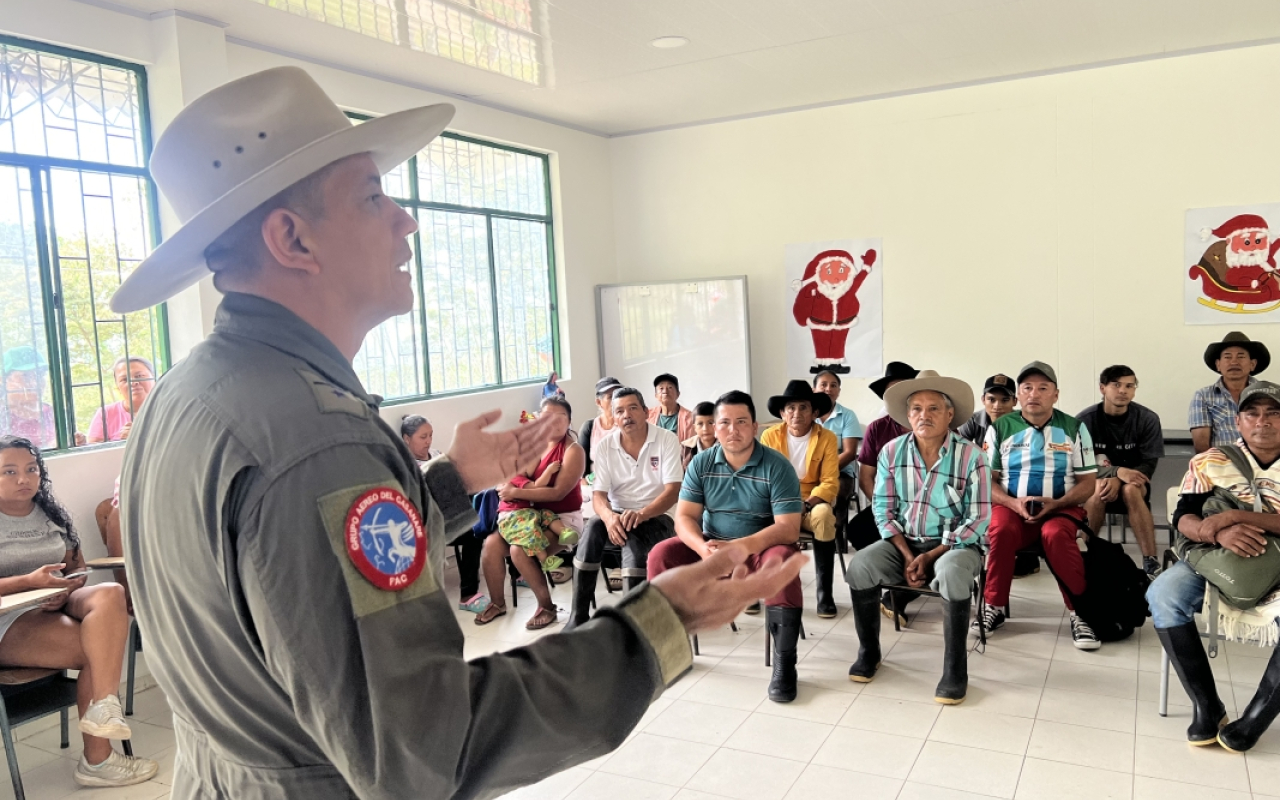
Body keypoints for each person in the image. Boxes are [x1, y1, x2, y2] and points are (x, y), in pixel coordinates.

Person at [111, 68, 801, 798]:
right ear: (291, 237)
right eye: (372, 197)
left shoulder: (184, 395)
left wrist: (446, 485)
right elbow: (432, 747)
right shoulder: (318, 437)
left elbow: (281, 566)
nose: (405, 219)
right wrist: (661, 620)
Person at [0, 436, 158, 787]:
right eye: (9, 472)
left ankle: (103, 706)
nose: (23, 478)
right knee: (97, 648)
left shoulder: (50, 513)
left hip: (52, 605)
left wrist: (67, 586)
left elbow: (77, 567)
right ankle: (98, 761)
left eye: (31, 469)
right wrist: (29, 582)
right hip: (8, 621)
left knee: (110, 592)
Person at [649, 390, 806, 703]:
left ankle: (785, 664)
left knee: (783, 565)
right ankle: (666, 652)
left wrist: (739, 548)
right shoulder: (701, 464)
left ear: (756, 426)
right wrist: (703, 548)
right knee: (661, 554)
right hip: (713, 546)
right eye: (725, 423)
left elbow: (788, 529)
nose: (733, 430)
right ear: (713, 428)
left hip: (760, 547)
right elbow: (684, 518)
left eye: (741, 422)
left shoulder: (777, 466)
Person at [1150, 381, 1280, 752]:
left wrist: (1237, 516)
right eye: (1252, 413)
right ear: (1238, 422)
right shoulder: (1211, 460)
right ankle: (1207, 706)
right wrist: (1216, 535)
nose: (1263, 421)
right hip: (1217, 555)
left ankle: (1256, 718)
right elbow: (1184, 517)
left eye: (1273, 413)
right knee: (1163, 594)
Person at [845, 372, 990, 704]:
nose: (924, 415)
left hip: (956, 546)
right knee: (861, 566)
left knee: (952, 573)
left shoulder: (972, 457)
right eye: (917, 409)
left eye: (934, 408)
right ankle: (869, 652)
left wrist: (932, 555)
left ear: (950, 415)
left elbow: (978, 519)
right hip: (904, 543)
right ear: (907, 416)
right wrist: (909, 554)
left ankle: (955, 670)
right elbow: (882, 509)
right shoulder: (892, 452)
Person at [980, 361, 1100, 649]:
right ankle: (993, 607)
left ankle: (1080, 613)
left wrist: (1057, 503)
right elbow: (986, 481)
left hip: (1061, 507)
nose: (1034, 394)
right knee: (1000, 531)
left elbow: (1088, 483)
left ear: (1055, 395)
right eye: (1027, 388)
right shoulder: (1000, 428)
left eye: (1043, 388)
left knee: (1056, 535)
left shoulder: (1074, 428)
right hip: (1010, 506)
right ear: (1018, 395)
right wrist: (1013, 502)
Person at [566, 387, 681, 630]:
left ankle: (632, 627)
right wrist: (608, 518)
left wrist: (641, 514)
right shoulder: (606, 446)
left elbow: (673, 492)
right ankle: (578, 617)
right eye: (619, 411)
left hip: (658, 516)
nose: (626, 415)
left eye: (632, 408)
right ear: (614, 418)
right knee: (595, 526)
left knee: (634, 540)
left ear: (645, 411)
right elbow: (598, 496)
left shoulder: (666, 439)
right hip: (618, 515)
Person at [481, 396, 585, 629]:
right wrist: (511, 486)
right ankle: (497, 603)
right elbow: (515, 474)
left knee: (519, 550)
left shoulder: (573, 451)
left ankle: (547, 607)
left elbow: (558, 493)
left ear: (569, 421)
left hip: (563, 520)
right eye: (547, 417)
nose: (553, 423)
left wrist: (516, 492)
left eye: (560, 417)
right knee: (490, 545)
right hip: (528, 516)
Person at [761, 380, 841, 618]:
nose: (797, 413)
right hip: (777, 503)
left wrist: (805, 504)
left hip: (811, 502)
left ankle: (824, 594)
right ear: (782, 413)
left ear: (815, 412)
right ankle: (756, 590)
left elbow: (830, 482)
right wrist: (783, 505)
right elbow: (763, 478)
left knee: (825, 517)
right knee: (752, 517)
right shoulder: (769, 436)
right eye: (791, 408)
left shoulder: (827, 438)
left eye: (803, 407)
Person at [1076, 365, 1165, 577]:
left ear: (1134, 390)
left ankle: (1150, 560)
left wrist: (1121, 477)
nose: (1123, 390)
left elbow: (1148, 464)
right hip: (1096, 481)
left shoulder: (1147, 419)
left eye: (1129, 386)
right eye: (1116, 385)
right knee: (1098, 489)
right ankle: (1086, 555)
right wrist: (1116, 473)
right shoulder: (1084, 420)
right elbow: (1080, 466)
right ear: (1102, 388)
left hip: (1135, 481)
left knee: (1131, 491)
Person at [847, 361, 919, 552]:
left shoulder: (930, 424)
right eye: (891, 392)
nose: (897, 396)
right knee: (857, 531)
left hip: (927, 506)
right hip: (888, 503)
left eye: (902, 389)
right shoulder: (877, 428)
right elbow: (866, 477)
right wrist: (884, 509)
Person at [1189, 331, 1269, 453]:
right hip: (1220, 465)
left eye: (1241, 356)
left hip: (1265, 465)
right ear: (1218, 365)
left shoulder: (1269, 394)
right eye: (1227, 357)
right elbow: (1201, 444)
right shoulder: (1203, 396)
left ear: (1252, 364)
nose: (1234, 362)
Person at [814, 369, 863, 545]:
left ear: (839, 391)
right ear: (814, 390)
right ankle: (803, 530)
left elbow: (850, 453)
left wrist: (826, 471)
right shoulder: (807, 415)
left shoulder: (847, 416)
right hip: (809, 470)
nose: (828, 389)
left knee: (837, 488)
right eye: (823, 385)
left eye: (833, 385)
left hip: (840, 471)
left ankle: (837, 534)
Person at [85, 356, 157, 444]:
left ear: (155, 379)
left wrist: (142, 436)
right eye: (124, 379)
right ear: (117, 387)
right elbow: (93, 451)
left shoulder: (169, 408)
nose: (133, 383)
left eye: (139, 376)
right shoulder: (106, 413)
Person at [0, 346, 56, 450]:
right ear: (3, 380)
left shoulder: (52, 413)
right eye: (25, 376)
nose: (35, 382)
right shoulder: (2, 417)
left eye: (40, 374)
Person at [957, 373, 1015, 446]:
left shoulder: (1024, 423)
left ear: (1014, 401)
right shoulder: (972, 421)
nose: (997, 406)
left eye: (1005, 400)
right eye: (991, 399)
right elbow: (958, 449)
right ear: (983, 400)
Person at [580, 376, 622, 477]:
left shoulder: (627, 424)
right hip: (595, 481)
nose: (615, 400)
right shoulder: (589, 427)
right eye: (610, 396)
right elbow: (581, 465)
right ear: (599, 402)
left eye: (618, 395)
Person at [648, 373, 694, 440]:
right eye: (661, 388)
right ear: (656, 395)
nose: (665, 391)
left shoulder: (690, 418)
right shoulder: (648, 416)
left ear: (678, 394)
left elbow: (690, 446)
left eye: (670, 387)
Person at [681, 401, 716, 470]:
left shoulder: (726, 446)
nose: (705, 429)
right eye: (700, 424)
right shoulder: (685, 447)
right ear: (694, 428)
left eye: (710, 423)